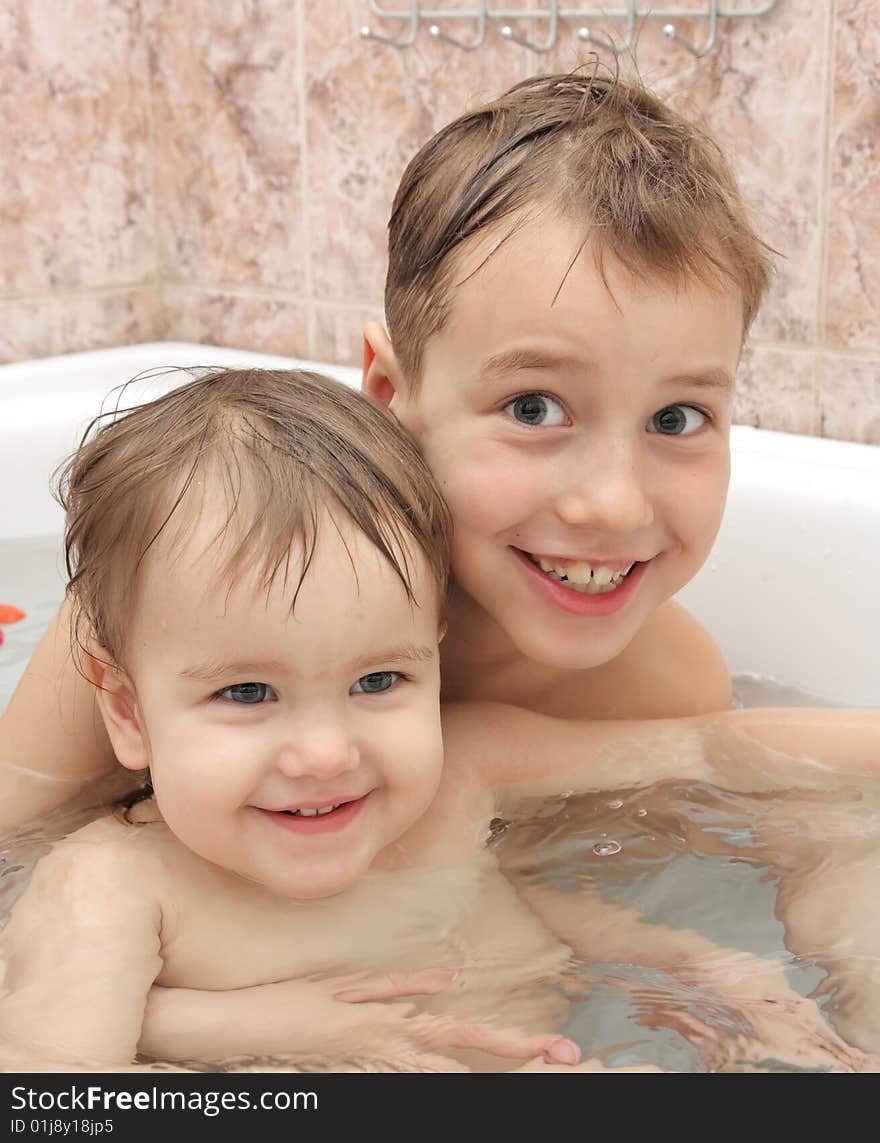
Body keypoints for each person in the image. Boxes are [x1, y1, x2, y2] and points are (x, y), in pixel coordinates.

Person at [1, 68, 879, 1057]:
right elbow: (21, 874)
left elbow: (510, 899)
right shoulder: (169, 599)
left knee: (844, 847)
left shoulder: (648, 681)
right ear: (388, 388)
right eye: (534, 408)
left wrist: (711, 972)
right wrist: (184, 1020)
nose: (613, 504)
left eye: (677, 418)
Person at [1, 367, 876, 1075]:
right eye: (246, 694)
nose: (326, 752)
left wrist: (712, 969)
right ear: (127, 711)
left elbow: (705, 751)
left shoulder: (463, 771)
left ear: (435, 656)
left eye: (378, 678)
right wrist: (234, 1035)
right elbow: (57, 1103)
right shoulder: (117, 891)